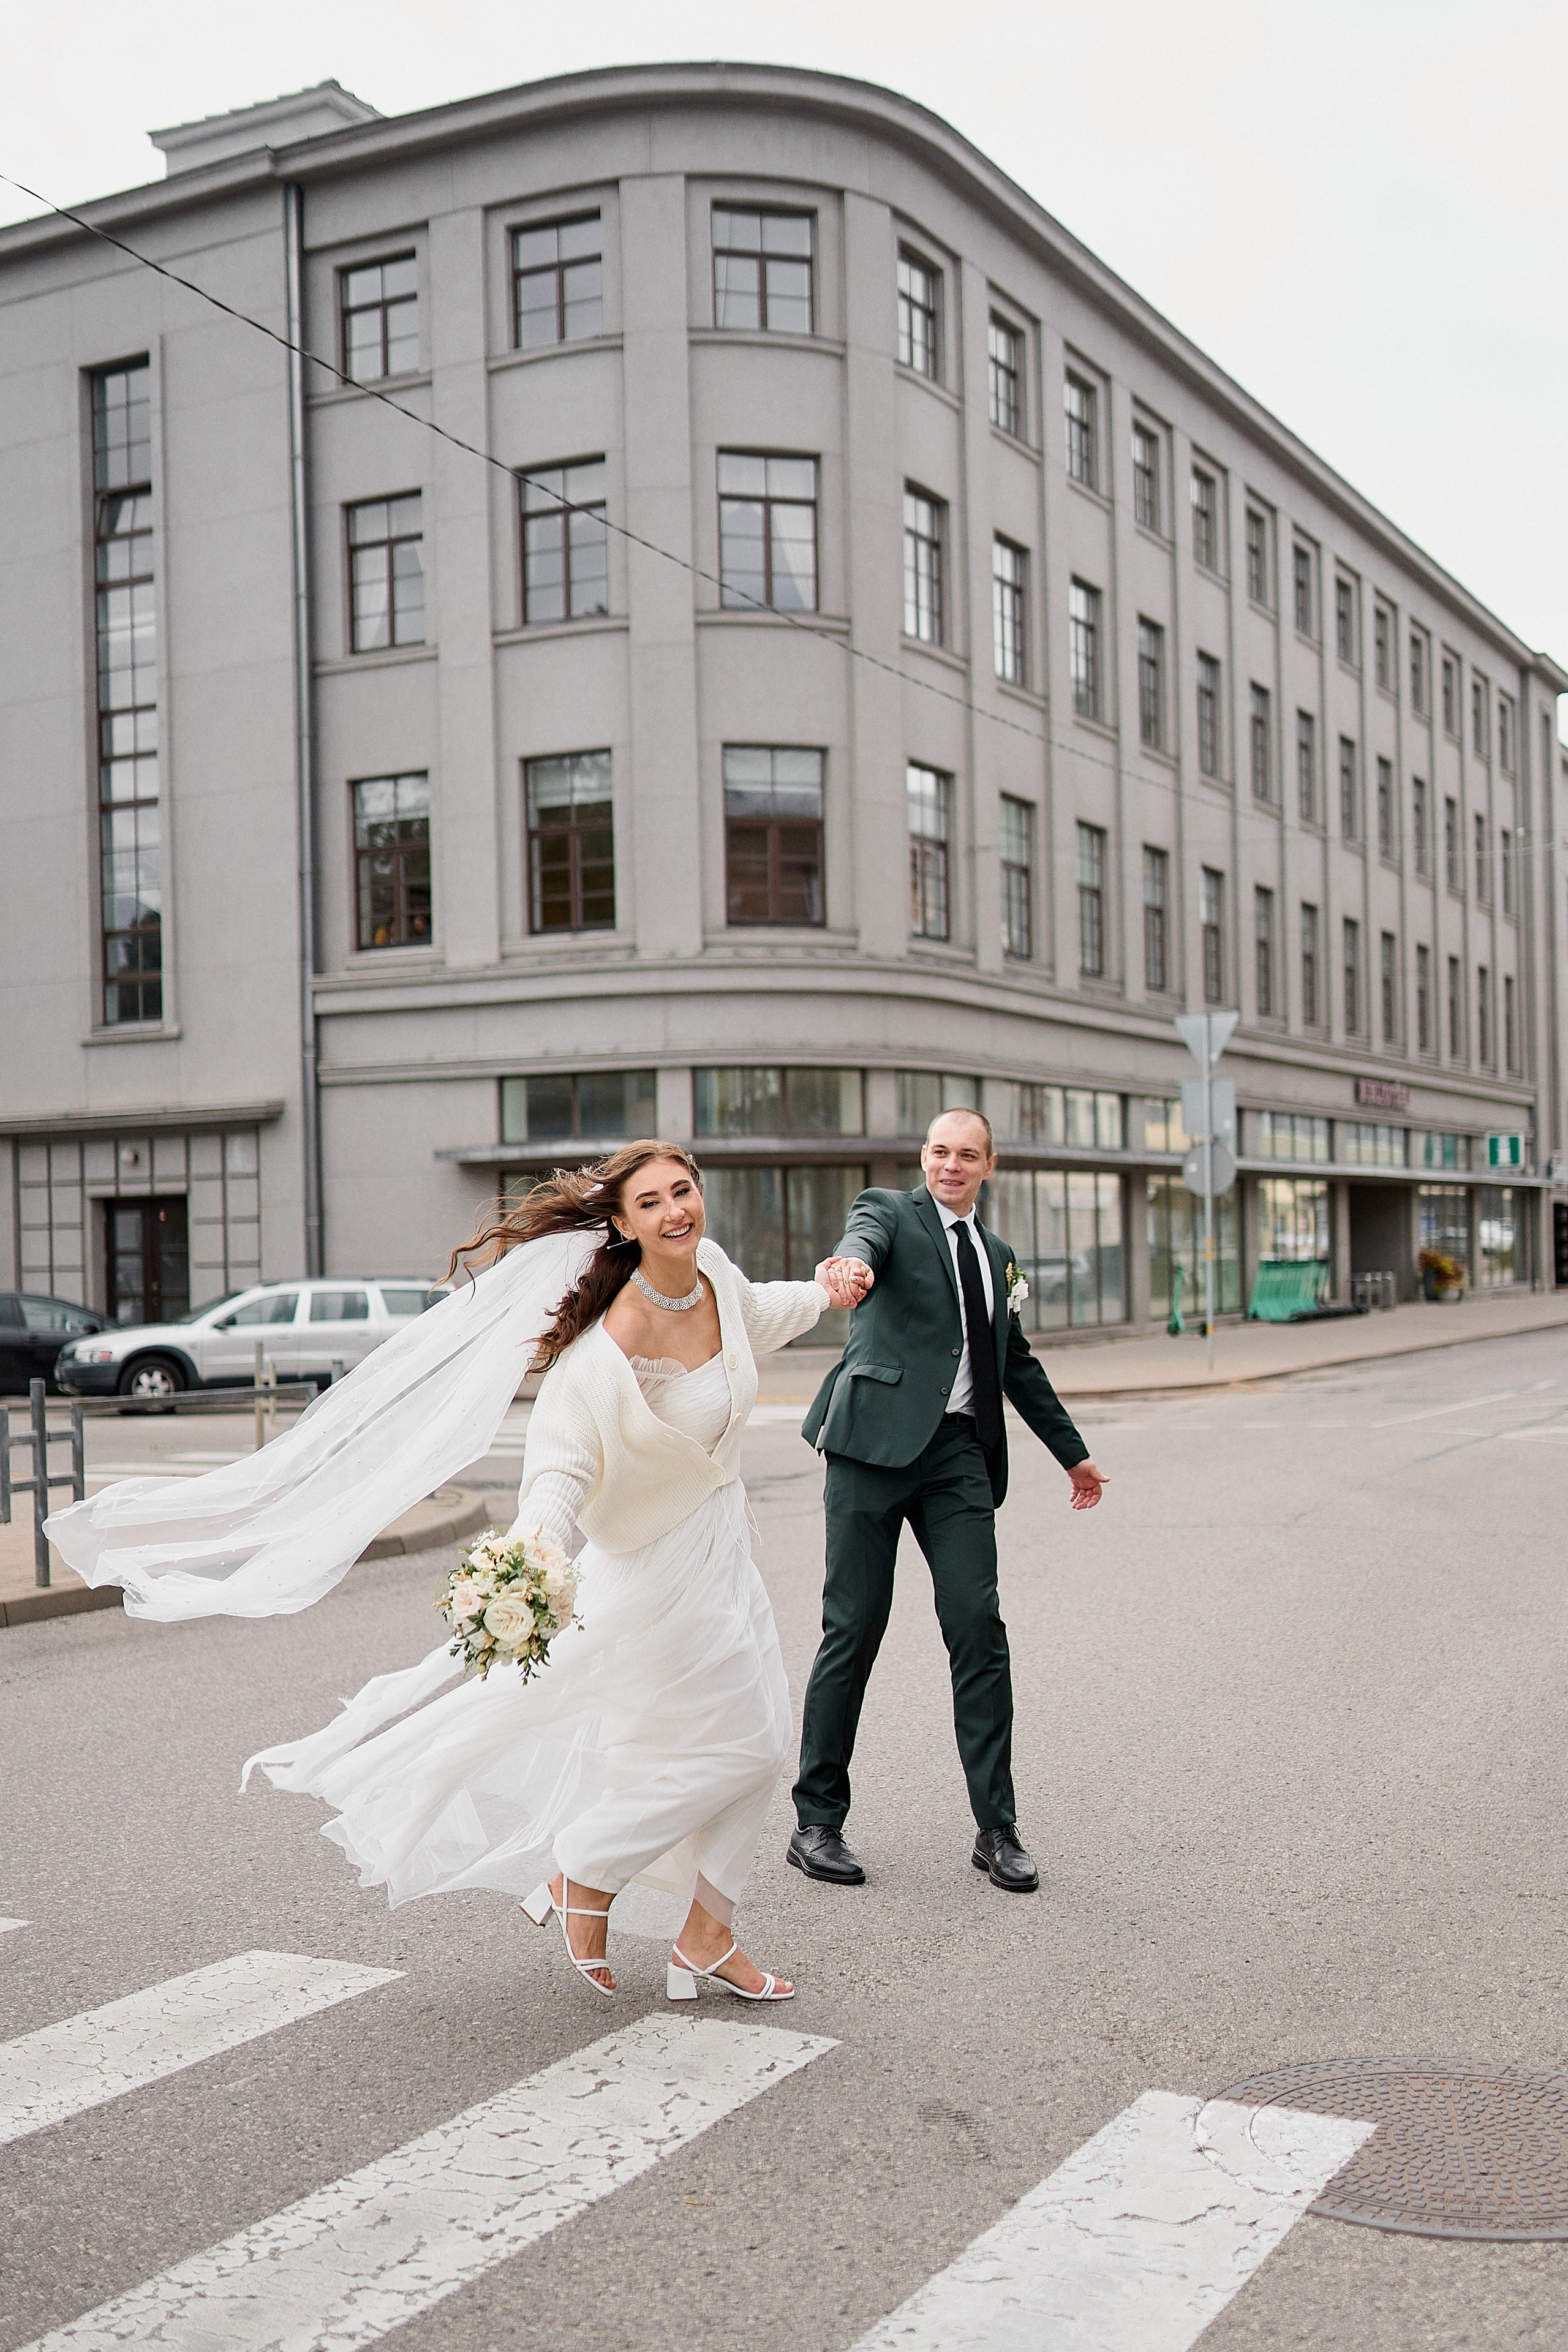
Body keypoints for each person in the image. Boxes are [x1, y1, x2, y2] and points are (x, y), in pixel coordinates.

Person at [47, 1141, 869, 2003]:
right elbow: (559, 1473)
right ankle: (585, 1874)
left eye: (683, 1192)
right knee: (751, 1743)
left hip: (723, 1555)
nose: (675, 1212)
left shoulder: (712, 1274)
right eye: (653, 1201)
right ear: (622, 1223)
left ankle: (708, 1932)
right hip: (656, 1572)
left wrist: (829, 1289)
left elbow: (758, 1314)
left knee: (749, 1734)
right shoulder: (605, 1350)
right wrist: (530, 1562)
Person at [789, 1109, 1107, 1894]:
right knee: (853, 1630)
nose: (951, 1164)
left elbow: (1016, 1362)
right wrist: (846, 1270)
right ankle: (817, 1822)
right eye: (939, 1152)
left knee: (978, 1626)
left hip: (958, 1456)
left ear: (988, 1166)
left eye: (967, 1154)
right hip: (870, 1448)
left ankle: (996, 1829)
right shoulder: (887, 1211)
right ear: (923, 1158)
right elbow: (859, 1247)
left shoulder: (997, 1255)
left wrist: (1074, 1454)